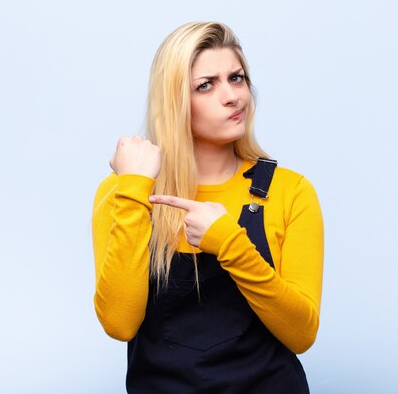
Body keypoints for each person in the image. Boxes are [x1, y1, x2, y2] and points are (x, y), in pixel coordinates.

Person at [92, 21, 324, 393]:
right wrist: (134, 188)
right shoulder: (125, 191)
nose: (233, 96)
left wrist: (229, 243)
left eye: (237, 78)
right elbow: (119, 323)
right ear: (175, 102)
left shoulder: (290, 191)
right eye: (206, 85)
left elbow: (302, 334)